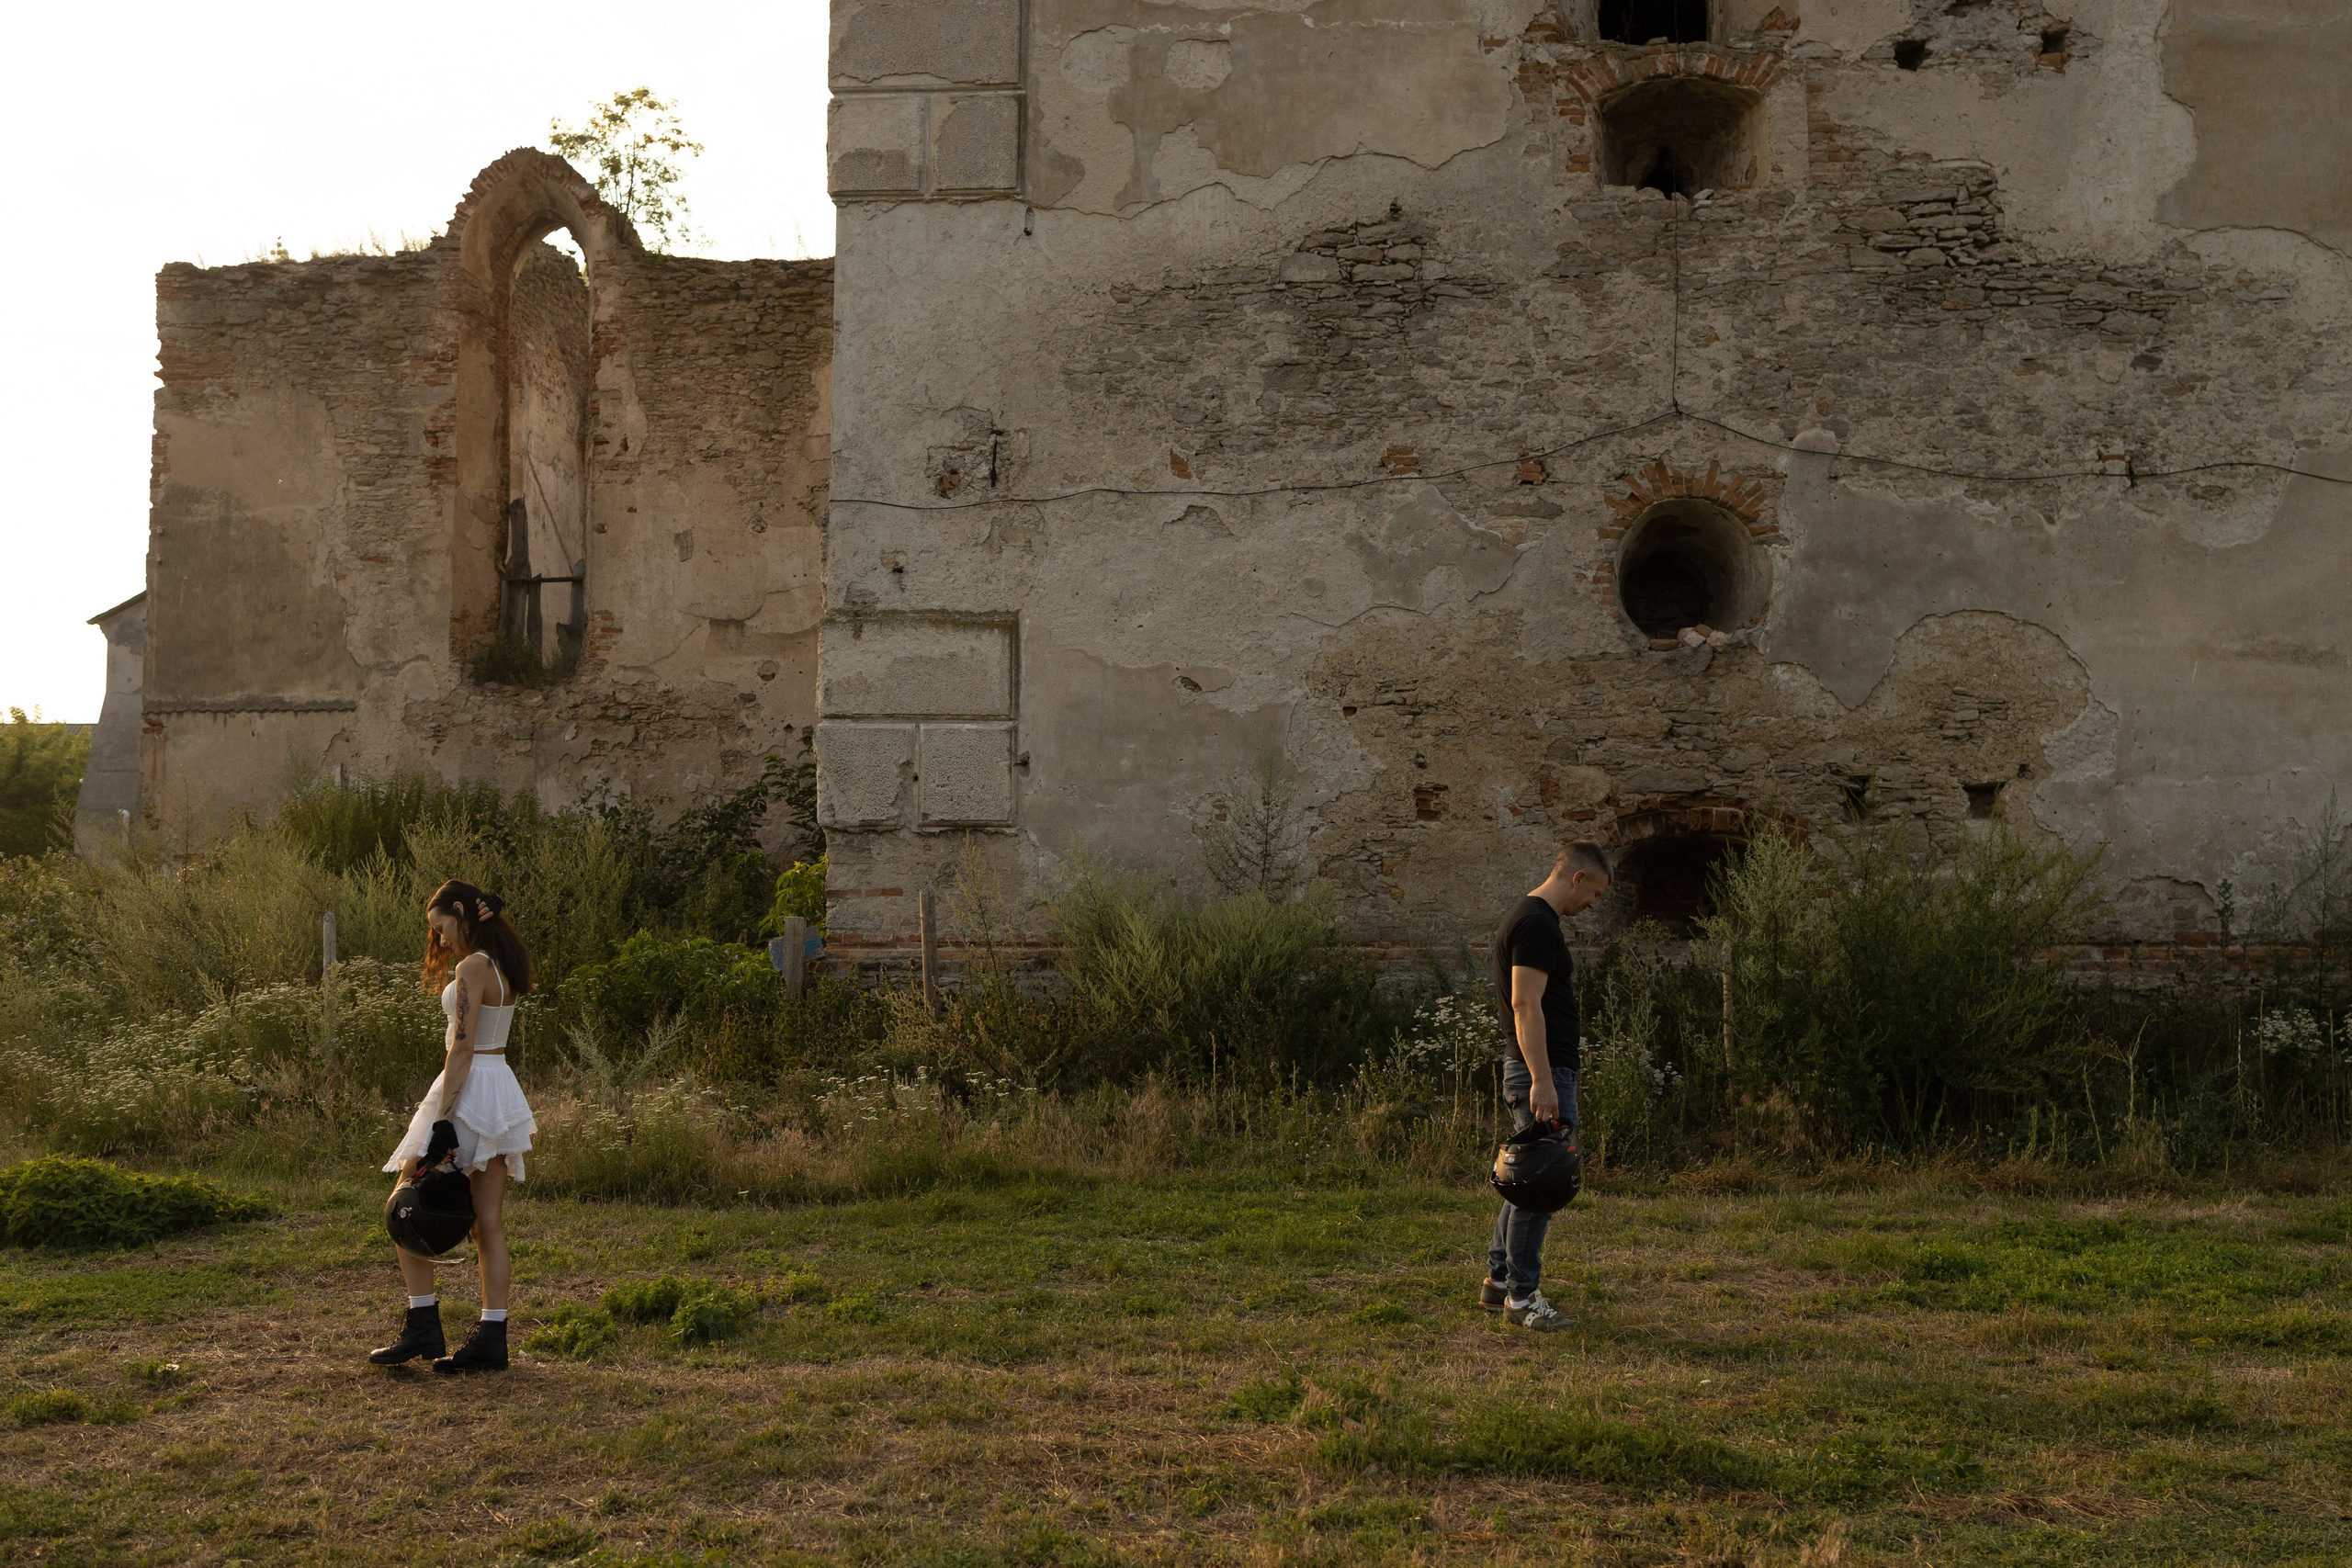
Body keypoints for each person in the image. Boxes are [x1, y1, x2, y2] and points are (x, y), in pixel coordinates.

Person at [369, 881, 538, 1373]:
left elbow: (462, 1045)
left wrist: (443, 1121)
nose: (440, 939)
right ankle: (492, 1338)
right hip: (498, 1083)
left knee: (406, 1202)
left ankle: (423, 1323)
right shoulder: (503, 963)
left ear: (460, 912)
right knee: (488, 1222)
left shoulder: (471, 967)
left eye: (441, 926)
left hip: (466, 1086)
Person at [1481, 840, 1611, 1331]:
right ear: (1578, 877)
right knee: (1542, 1185)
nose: (1593, 904)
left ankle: (1499, 1283)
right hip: (1542, 1071)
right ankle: (1522, 1298)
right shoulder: (1535, 923)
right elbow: (1524, 1004)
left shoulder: (1534, 919)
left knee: (1528, 1181)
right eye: (1595, 893)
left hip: (1544, 1069)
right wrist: (1542, 1079)